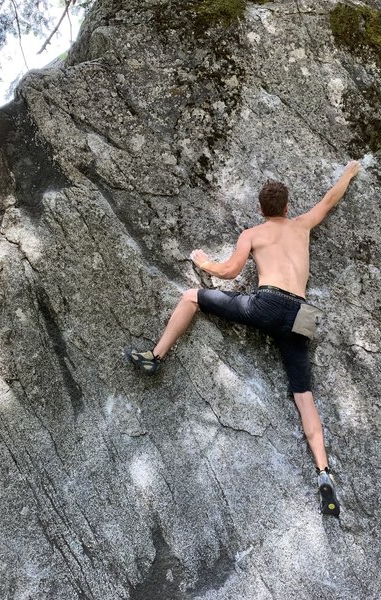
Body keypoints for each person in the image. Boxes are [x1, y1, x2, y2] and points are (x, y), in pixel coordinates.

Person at [127, 161, 360, 516]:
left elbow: (230, 271)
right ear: (286, 207)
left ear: (260, 210)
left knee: (192, 297)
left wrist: (204, 262)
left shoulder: (253, 233)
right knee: (304, 395)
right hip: (301, 314)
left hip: (266, 304)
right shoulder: (301, 225)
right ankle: (324, 472)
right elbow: (329, 200)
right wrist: (348, 173)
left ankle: (155, 358)